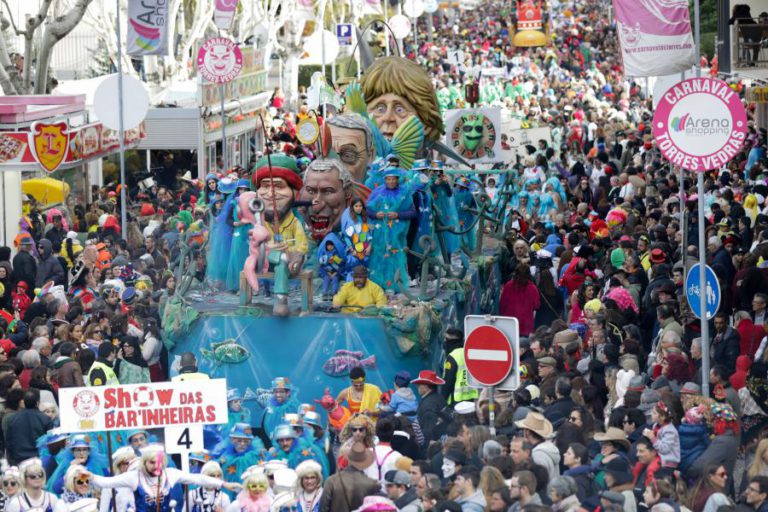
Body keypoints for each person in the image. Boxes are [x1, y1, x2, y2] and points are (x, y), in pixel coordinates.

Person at [88, 444, 240, 512]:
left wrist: (223, 484)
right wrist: (90, 476)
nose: (156, 466)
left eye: (159, 462)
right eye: (152, 462)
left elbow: (198, 479)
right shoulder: (134, 477)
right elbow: (106, 482)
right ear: (144, 462)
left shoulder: (170, 474)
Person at [319, 441, 380, 512]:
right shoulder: (372, 484)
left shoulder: (331, 481)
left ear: (348, 459)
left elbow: (323, 508)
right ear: (365, 462)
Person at [6, 389, 54, 466]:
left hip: (19, 460)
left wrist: (12, 462)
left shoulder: (12, 419)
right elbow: (50, 442)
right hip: (39, 459)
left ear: (24, 402)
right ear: (37, 403)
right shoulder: (45, 419)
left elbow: (8, 442)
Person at [514, 411, 560, 480]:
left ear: (527, 432)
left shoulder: (538, 455)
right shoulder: (548, 447)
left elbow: (538, 481)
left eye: (524, 429)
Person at [412, 370, 447, 445]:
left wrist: (425, 447)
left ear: (425, 386)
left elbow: (427, 431)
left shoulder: (427, 405)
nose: (417, 387)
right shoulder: (440, 398)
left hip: (432, 444)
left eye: (419, 385)